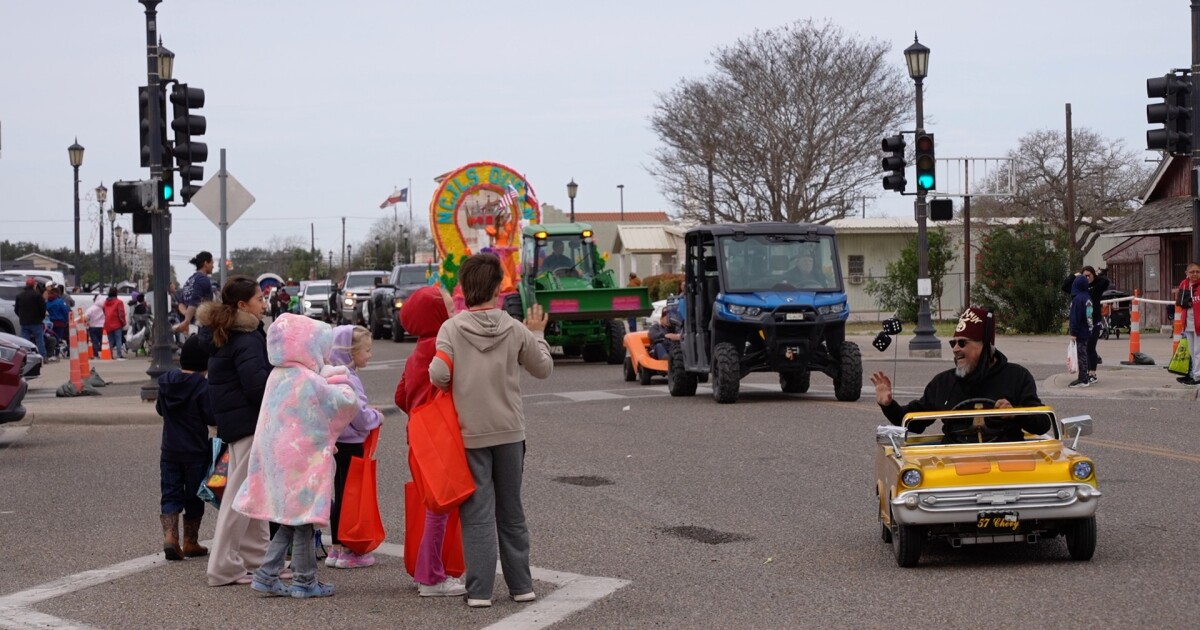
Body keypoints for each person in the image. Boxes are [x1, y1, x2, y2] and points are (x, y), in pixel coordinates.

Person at [430, 254, 553, 608]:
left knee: (477, 514)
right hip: (510, 431)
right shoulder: (515, 328)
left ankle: (480, 590)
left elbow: (438, 374)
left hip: (470, 434)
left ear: (465, 287)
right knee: (511, 511)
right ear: (498, 287)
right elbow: (542, 369)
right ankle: (521, 586)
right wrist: (538, 335)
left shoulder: (451, 328)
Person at [231, 313, 359, 598]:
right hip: (303, 460)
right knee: (302, 519)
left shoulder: (278, 375)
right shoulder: (306, 378)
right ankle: (303, 580)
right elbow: (344, 402)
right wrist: (341, 378)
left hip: (278, 459)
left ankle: (269, 574)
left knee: (293, 521)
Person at [869, 306, 1049, 444]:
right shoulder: (943, 383)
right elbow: (913, 423)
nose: (955, 349)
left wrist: (1015, 413)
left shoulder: (1017, 376)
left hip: (1009, 460)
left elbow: (1042, 425)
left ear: (986, 347)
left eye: (962, 343)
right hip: (953, 462)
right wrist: (888, 404)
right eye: (953, 343)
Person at [197, 276, 274, 587]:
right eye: (259, 299)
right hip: (249, 423)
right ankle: (223, 567)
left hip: (239, 422)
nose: (264, 303)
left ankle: (256, 559)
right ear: (243, 305)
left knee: (253, 494)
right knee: (240, 496)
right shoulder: (246, 337)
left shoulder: (228, 334)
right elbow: (258, 386)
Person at [394, 285, 468, 598]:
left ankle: (426, 568)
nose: (455, 314)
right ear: (438, 316)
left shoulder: (416, 352)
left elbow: (401, 395)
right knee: (441, 505)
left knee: (431, 504)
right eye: (450, 310)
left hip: (418, 434)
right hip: (438, 434)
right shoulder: (440, 348)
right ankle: (432, 576)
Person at [325, 325, 384, 570]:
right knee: (352, 497)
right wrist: (376, 417)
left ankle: (337, 548)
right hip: (352, 443)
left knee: (338, 494)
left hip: (336, 442)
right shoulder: (350, 378)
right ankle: (350, 550)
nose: (369, 355)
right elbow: (358, 414)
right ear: (350, 352)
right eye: (366, 350)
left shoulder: (329, 374)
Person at [156, 334, 215, 561]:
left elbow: (161, 409)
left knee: (170, 493)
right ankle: (191, 541)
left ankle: (170, 537)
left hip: (169, 449)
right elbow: (210, 416)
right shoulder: (202, 386)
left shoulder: (166, 381)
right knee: (193, 496)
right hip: (195, 451)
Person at [1061, 265, 1110, 376]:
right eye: (1084, 276)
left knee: (1090, 347)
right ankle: (1084, 374)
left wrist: (1099, 275)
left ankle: (1092, 373)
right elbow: (1064, 287)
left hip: (1095, 321)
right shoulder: (1077, 289)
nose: (1087, 278)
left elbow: (1105, 282)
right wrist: (1074, 276)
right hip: (1082, 324)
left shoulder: (1097, 285)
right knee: (1082, 349)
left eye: (1089, 276)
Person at [175, 251, 216, 334]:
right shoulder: (203, 280)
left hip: (191, 327)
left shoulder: (189, 280)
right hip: (201, 326)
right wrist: (187, 321)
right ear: (206, 263)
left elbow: (181, 304)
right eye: (212, 263)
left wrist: (187, 314)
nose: (213, 266)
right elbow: (194, 302)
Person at [1175, 262, 1200, 386]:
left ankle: (1197, 376)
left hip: (1199, 323)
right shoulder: (1184, 284)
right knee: (1191, 351)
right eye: (1192, 272)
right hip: (1187, 322)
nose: (1195, 274)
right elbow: (1179, 302)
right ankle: (1192, 374)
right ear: (1187, 273)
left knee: (1197, 351)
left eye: (1197, 272)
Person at [1067, 274, 1093, 388]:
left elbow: (1075, 318)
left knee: (1081, 354)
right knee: (1084, 354)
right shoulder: (1087, 297)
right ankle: (1084, 376)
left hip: (1080, 331)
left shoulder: (1078, 299)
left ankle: (1083, 378)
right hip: (1087, 329)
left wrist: (1073, 333)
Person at [14, 277, 47, 359]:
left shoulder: (19, 296)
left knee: (24, 341)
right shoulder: (38, 296)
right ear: (34, 285)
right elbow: (43, 309)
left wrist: (21, 316)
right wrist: (41, 318)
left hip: (24, 322)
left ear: (26, 285)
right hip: (36, 322)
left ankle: (24, 357)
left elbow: (16, 309)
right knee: (39, 340)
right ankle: (42, 356)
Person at [103, 287, 128, 360]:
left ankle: (109, 353)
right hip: (117, 323)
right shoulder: (119, 302)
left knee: (110, 339)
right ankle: (119, 354)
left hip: (108, 322)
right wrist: (123, 322)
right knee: (118, 339)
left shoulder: (106, 302)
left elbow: (104, 310)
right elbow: (121, 314)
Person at [46, 287, 71, 359]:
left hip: (50, 323)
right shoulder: (60, 302)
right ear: (57, 293)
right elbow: (66, 312)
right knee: (58, 338)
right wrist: (67, 320)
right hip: (60, 323)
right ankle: (56, 354)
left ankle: (51, 353)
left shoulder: (47, 302)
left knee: (51, 337)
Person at [85, 294, 105, 358]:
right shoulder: (104, 308)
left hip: (93, 326)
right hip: (102, 327)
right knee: (103, 341)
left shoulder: (92, 308)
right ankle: (103, 353)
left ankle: (95, 354)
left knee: (95, 341)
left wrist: (87, 321)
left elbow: (86, 317)